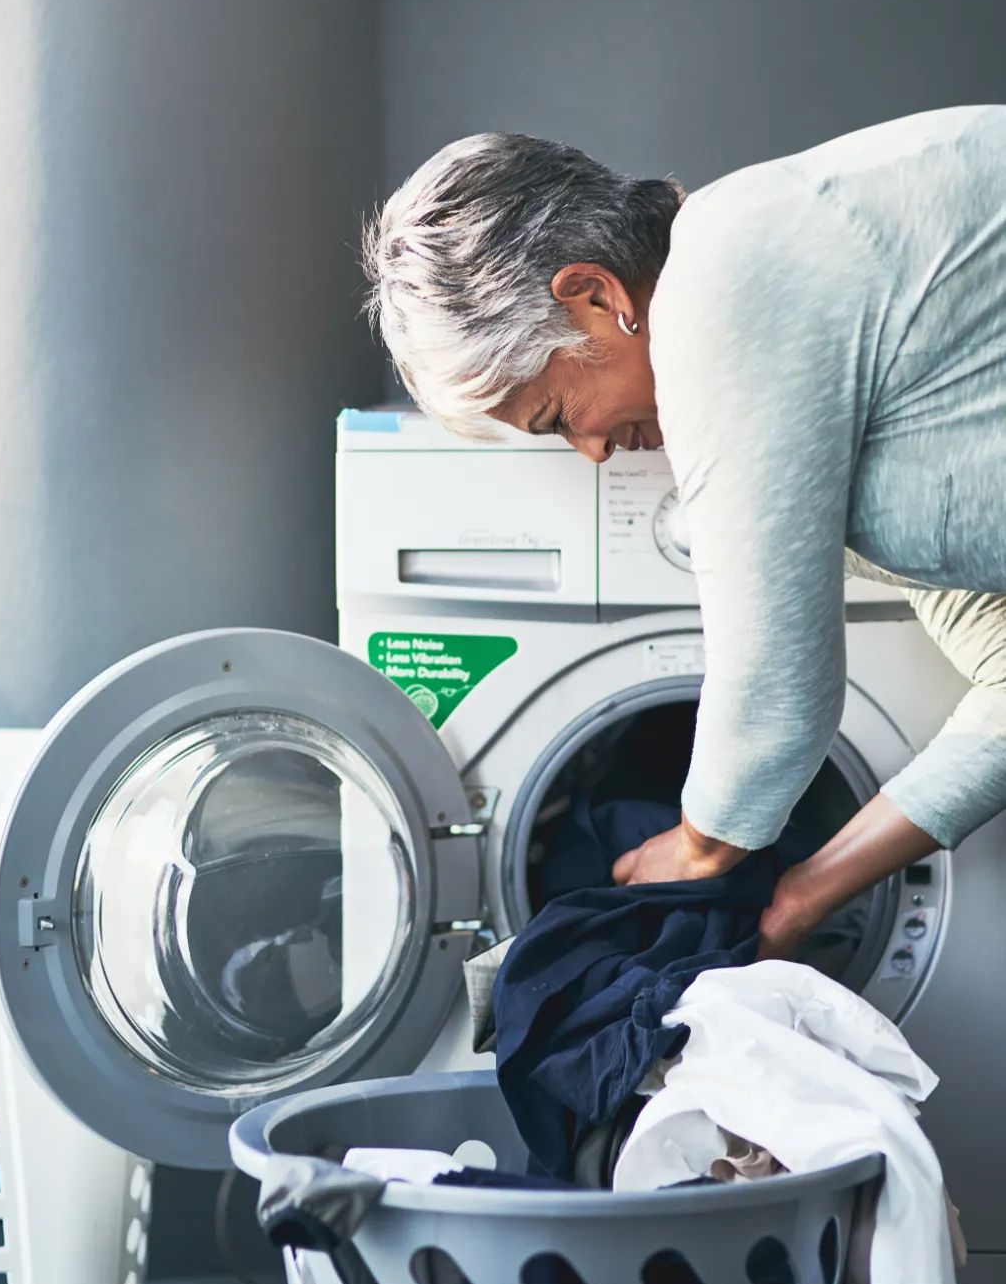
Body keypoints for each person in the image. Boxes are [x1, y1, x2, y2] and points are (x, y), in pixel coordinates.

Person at [362, 106, 1006, 956]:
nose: (592, 452)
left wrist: (698, 848)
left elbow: (774, 698)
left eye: (556, 416)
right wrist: (804, 893)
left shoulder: (723, 272)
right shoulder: (813, 398)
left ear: (593, 296)